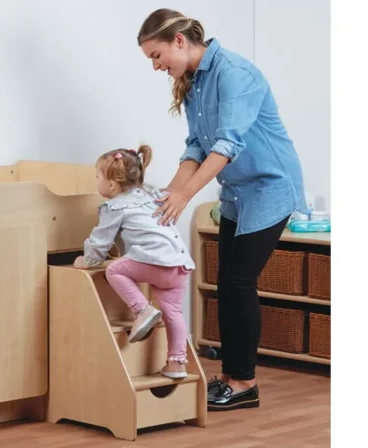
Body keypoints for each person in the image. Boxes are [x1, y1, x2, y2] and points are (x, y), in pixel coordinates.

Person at [135, 8, 309, 411]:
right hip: (237, 193)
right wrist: (170, 192)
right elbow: (197, 145)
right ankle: (231, 378)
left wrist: (186, 196)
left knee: (239, 283)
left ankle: (244, 382)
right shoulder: (194, 82)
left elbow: (226, 146)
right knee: (226, 284)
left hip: (270, 188)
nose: (156, 66)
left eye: (157, 56)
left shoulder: (234, 73)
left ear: (179, 41)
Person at [73, 145, 196, 379]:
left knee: (114, 270)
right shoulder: (151, 194)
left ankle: (142, 309)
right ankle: (177, 363)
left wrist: (86, 260)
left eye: (97, 177)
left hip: (156, 261)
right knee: (173, 313)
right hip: (180, 263)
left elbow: (100, 241)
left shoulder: (114, 207)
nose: (96, 182)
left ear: (112, 184)